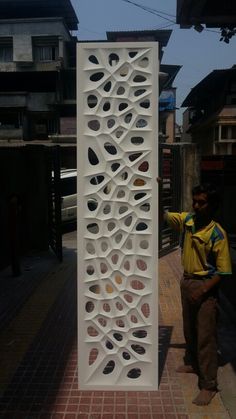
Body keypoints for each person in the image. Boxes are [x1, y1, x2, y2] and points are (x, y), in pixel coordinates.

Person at [159, 181, 232, 406]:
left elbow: (224, 272)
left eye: (202, 203)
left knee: (206, 337)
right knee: (189, 329)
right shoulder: (188, 221)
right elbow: (164, 216)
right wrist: (157, 191)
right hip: (187, 283)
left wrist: (202, 291)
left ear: (212, 206)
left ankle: (209, 384)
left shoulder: (217, 234)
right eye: (195, 201)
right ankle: (192, 362)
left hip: (205, 288)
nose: (196, 206)